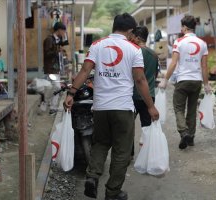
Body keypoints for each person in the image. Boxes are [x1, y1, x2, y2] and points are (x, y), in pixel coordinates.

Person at [64, 13, 159, 200]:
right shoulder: (134, 49)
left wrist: (71, 93)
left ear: (114, 26)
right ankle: (112, 192)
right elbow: (140, 79)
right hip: (123, 108)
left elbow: (85, 70)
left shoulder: (97, 45)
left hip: (100, 108)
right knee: (121, 151)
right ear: (131, 31)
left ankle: (92, 177)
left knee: (100, 144)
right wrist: (150, 106)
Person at [159, 15, 211, 149]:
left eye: (182, 27)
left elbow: (174, 63)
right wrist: (206, 84)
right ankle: (191, 138)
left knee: (178, 108)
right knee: (192, 109)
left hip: (182, 80)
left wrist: (165, 79)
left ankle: (184, 133)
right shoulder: (202, 43)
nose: (181, 29)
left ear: (185, 27)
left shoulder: (179, 42)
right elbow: (204, 66)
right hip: (196, 81)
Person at [129, 26, 159, 158]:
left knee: (128, 128)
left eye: (132, 36)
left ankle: (129, 155)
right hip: (149, 96)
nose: (130, 39)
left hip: (132, 95)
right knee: (146, 127)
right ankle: (146, 156)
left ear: (137, 37)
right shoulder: (153, 54)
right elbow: (155, 75)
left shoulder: (133, 52)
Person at [43, 22, 67, 115]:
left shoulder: (57, 40)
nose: (64, 33)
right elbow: (47, 54)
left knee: (53, 87)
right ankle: (52, 107)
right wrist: (57, 51)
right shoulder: (49, 40)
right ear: (59, 30)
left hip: (55, 68)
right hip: (51, 68)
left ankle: (51, 106)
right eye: (64, 31)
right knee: (56, 87)